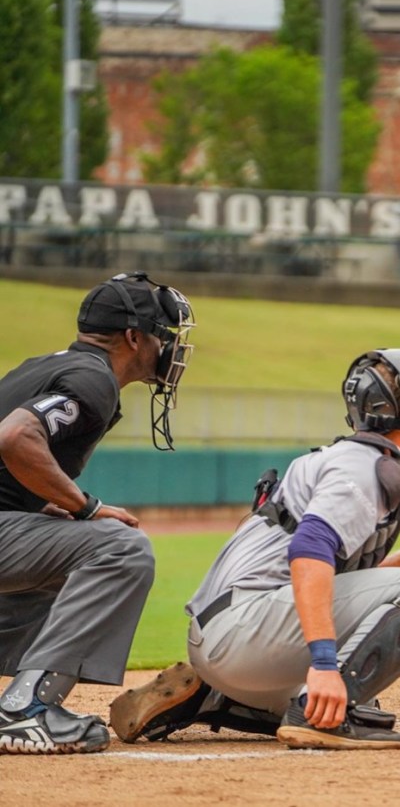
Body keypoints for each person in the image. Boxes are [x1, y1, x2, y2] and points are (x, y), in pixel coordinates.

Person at [108, 349, 400, 750]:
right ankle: (310, 714)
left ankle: (218, 695)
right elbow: (309, 551)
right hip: (244, 631)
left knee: (366, 679)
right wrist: (322, 664)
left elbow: (361, 583)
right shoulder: (364, 468)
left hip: (236, 634)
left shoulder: (352, 459)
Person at [0, 272, 195, 755]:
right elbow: (14, 438)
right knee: (120, 548)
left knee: (67, 545)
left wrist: (42, 503)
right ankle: (29, 710)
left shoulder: (40, 365)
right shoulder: (95, 378)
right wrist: (86, 506)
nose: (168, 348)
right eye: (162, 336)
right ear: (133, 337)